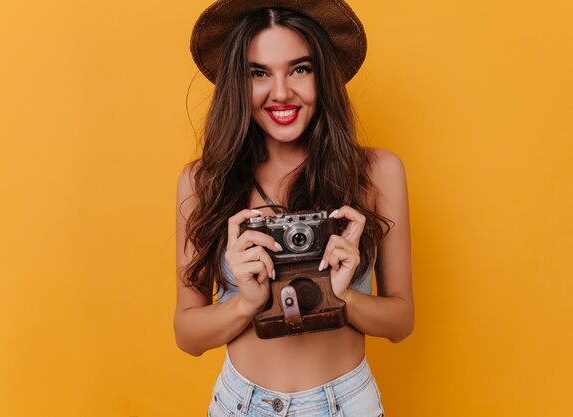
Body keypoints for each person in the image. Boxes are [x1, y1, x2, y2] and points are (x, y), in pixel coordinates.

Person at [174, 1, 414, 415]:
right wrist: (246, 302)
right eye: (259, 73)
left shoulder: (377, 173)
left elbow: (401, 322)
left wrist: (344, 297)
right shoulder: (203, 181)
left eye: (300, 69)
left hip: (346, 403)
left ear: (323, 76)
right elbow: (188, 334)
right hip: (241, 403)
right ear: (237, 83)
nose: (281, 92)